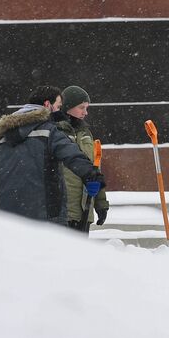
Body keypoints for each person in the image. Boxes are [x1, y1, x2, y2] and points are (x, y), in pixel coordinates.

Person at [0, 85, 104, 225]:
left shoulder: (5, 135)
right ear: (47, 104)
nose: (59, 111)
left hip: (9, 216)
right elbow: (71, 154)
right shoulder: (48, 131)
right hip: (46, 216)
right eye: (58, 106)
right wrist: (91, 174)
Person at [54, 85, 109, 233]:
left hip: (85, 208)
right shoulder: (55, 132)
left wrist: (101, 203)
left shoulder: (86, 133)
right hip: (63, 211)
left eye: (87, 107)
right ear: (67, 107)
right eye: (81, 107)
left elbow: (94, 168)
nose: (86, 112)